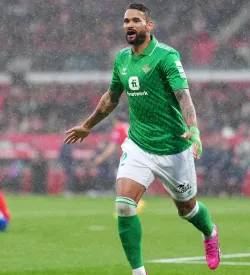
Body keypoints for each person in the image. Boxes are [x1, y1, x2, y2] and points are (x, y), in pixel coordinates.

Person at [64, 3, 220, 274]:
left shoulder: (166, 56)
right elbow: (111, 98)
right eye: (126, 21)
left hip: (173, 148)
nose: (129, 25)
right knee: (124, 206)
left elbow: (184, 96)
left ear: (149, 26)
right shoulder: (122, 59)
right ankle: (139, 272)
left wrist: (193, 129)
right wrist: (87, 125)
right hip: (138, 146)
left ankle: (210, 232)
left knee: (188, 210)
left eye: (136, 20)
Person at [92, 114, 146, 213]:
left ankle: (127, 206)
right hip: (139, 156)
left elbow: (112, 147)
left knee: (120, 180)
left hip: (130, 157)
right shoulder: (130, 127)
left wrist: (101, 158)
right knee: (129, 180)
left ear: (116, 121)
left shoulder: (119, 129)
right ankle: (131, 204)